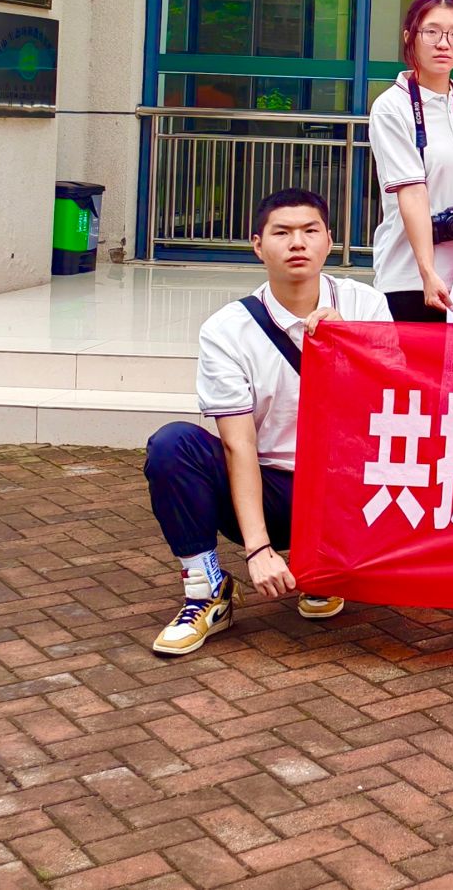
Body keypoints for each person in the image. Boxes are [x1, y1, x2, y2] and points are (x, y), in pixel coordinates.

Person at [143, 187, 392, 656]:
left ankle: (322, 567)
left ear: (329, 240)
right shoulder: (227, 330)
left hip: (345, 490)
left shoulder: (366, 306)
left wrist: (349, 344)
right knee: (172, 446)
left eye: (310, 230)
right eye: (282, 232)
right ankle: (206, 590)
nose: (297, 242)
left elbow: (387, 409)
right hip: (272, 490)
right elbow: (238, 445)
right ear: (258, 245)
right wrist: (258, 548)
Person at [369, 0, 453, 322]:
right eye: (431, 32)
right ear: (409, 36)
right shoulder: (391, 108)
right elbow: (412, 192)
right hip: (413, 279)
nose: (443, 44)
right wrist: (427, 271)